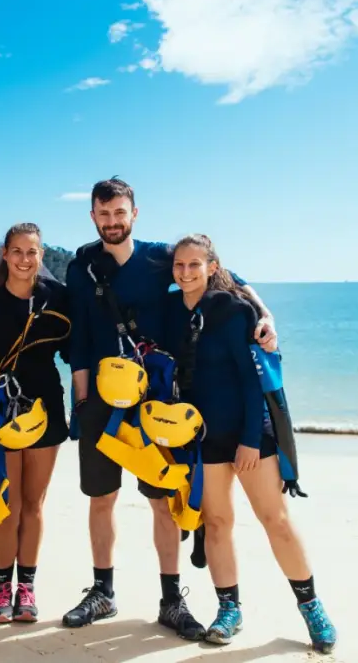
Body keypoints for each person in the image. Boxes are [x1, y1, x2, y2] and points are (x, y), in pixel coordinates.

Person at [62, 177, 279, 640]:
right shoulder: (81, 269)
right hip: (101, 397)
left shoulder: (161, 256)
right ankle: (102, 591)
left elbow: (230, 278)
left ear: (134, 214)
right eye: (104, 214)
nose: (112, 221)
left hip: (158, 399)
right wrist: (80, 401)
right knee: (101, 498)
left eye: (120, 213)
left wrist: (265, 314)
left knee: (162, 500)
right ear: (93, 215)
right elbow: (78, 338)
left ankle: (171, 599)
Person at [164, 233, 337, 653]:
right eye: (179, 265)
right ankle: (229, 610)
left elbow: (249, 380)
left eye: (195, 264)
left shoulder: (234, 310)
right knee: (217, 522)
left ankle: (312, 607)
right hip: (202, 438)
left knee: (275, 518)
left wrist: (249, 441)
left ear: (212, 268)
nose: (186, 272)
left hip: (249, 433)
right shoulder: (169, 311)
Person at [0, 222, 72, 624]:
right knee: (5, 504)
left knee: (33, 504)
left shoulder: (57, 297)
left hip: (45, 407)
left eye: (32, 252)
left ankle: (26, 588)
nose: (25, 259)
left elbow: (77, 348)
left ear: (41, 256)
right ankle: (1, 589)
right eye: (17, 251)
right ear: (4, 254)